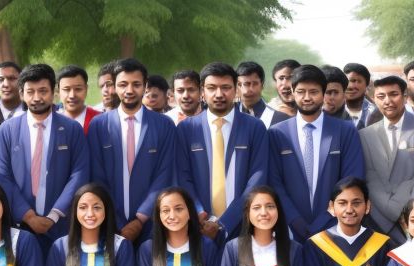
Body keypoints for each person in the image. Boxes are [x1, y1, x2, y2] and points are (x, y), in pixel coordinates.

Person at [0, 64, 88, 253]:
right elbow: (1, 176)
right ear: (21, 94)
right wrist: (29, 216)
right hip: (19, 224)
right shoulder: (7, 130)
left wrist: (54, 215)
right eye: (30, 92)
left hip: (61, 224)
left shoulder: (71, 129)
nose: (37, 97)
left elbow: (80, 173)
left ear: (53, 92)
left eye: (43, 91)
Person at [268, 64, 365, 241]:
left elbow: (352, 179)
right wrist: (294, 220)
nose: (307, 98)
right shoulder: (277, 133)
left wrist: (326, 218)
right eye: (301, 91)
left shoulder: (345, 131)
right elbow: (274, 182)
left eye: (313, 92)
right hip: (289, 229)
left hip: (335, 227)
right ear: (292, 91)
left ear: (323, 93)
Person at [177, 62, 268, 244]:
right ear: (203, 91)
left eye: (226, 88)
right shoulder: (186, 128)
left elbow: (258, 176)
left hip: (243, 225)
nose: (219, 94)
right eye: (212, 88)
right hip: (199, 226)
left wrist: (225, 222)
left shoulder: (254, 127)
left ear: (236, 90)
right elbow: (182, 175)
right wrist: (200, 213)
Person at [89, 58, 176, 244]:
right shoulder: (99, 125)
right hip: (110, 222)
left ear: (145, 86)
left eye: (136, 84)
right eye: (123, 84)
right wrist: (117, 219)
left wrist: (141, 218)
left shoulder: (164, 125)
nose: (129, 90)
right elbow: (97, 175)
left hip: (153, 222)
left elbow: (165, 174)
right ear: (113, 87)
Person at [360, 75, 414, 244]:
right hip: (379, 221)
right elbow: (370, 178)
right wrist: (393, 213)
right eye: (381, 96)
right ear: (374, 99)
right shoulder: (365, 135)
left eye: (393, 94)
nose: (387, 101)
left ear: (405, 96)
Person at [235, 61, 289, 128]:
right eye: (246, 84)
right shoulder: (228, 115)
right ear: (237, 86)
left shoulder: (280, 119)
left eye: (255, 84)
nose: (251, 89)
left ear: (262, 85)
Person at [57, 65, 100, 134]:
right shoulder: (51, 122)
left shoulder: (101, 120)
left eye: (78, 89)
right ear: (58, 91)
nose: (72, 95)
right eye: (66, 89)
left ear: (86, 89)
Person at [343, 63, 376, 130]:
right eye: (346, 81)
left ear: (366, 85)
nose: (350, 86)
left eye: (356, 81)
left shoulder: (376, 113)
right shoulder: (331, 111)